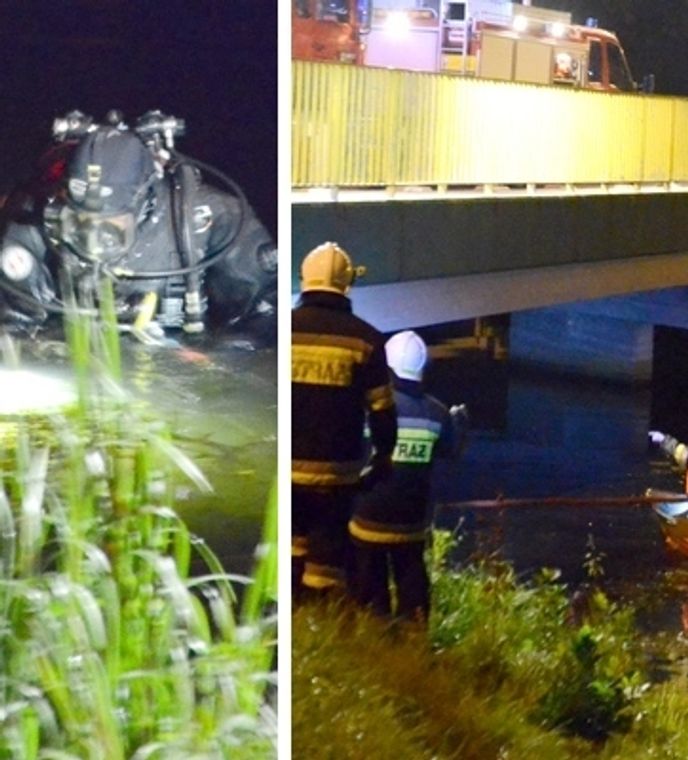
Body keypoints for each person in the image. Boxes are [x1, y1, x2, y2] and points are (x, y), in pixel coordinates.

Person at [0, 110, 276, 338]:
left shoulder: (207, 217)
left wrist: (218, 363)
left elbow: (264, 312)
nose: (95, 239)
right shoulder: (34, 218)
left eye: (112, 227)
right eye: (80, 223)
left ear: (144, 204)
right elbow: (14, 324)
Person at [291, 242, 397, 596]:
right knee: (327, 556)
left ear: (304, 278)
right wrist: (384, 456)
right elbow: (381, 410)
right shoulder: (365, 340)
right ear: (346, 283)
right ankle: (320, 623)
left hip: (288, 468)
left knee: (291, 545)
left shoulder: (286, 330)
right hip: (337, 473)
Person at [348, 330, 467, 621]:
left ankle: (374, 642)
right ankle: (412, 644)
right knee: (413, 588)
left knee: (369, 592)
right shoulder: (437, 414)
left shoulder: (368, 407)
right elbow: (451, 452)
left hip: (368, 519)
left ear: (386, 367)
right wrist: (460, 424)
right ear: (423, 368)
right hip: (411, 523)